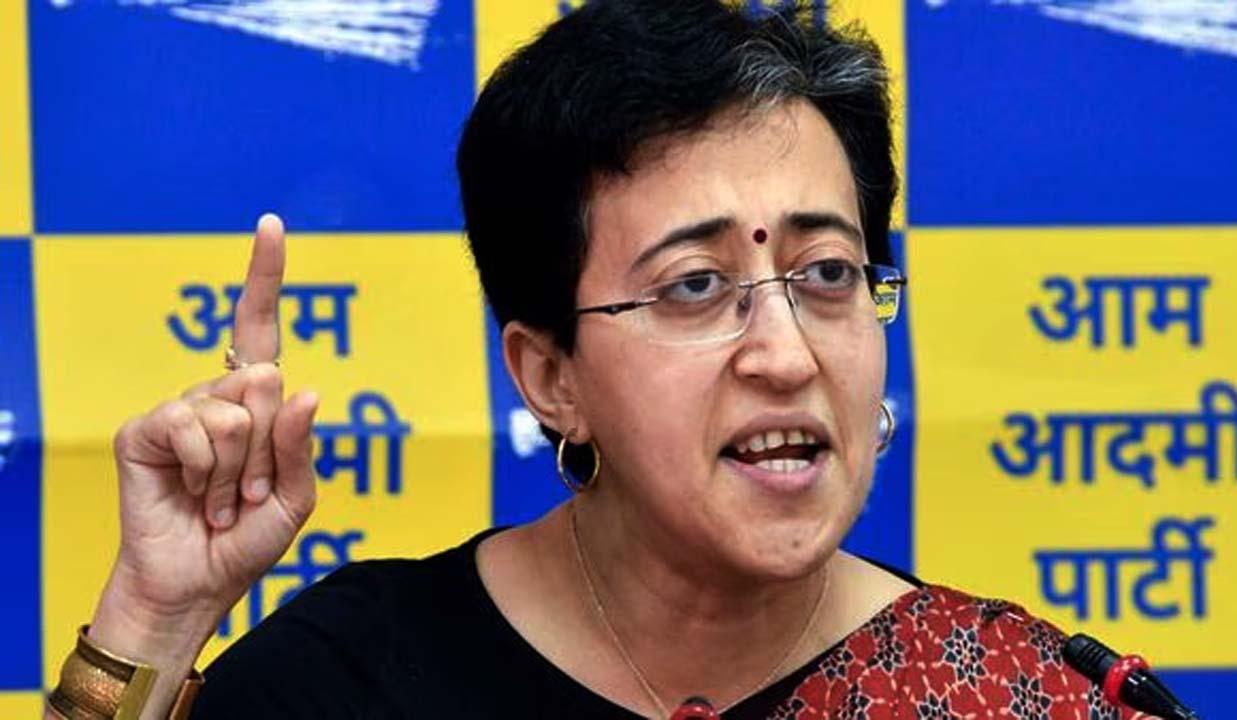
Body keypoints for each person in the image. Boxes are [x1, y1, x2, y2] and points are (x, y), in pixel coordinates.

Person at [45, 2, 1146, 718]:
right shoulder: (352, 682)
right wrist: (156, 619)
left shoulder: (1014, 693)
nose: (784, 353)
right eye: (694, 286)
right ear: (549, 378)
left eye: (825, 272)